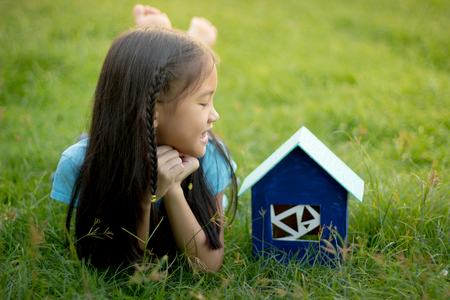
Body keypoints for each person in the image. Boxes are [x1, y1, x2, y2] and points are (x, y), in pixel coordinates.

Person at [51, 7, 237, 272]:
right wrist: (146, 197)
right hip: (128, 137)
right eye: (204, 102)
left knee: (183, 67)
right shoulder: (82, 164)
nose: (215, 115)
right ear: (151, 113)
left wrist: (172, 188)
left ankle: (177, 38)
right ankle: (168, 39)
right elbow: (121, 268)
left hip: (153, 123)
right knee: (169, 74)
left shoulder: (211, 158)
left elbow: (208, 265)